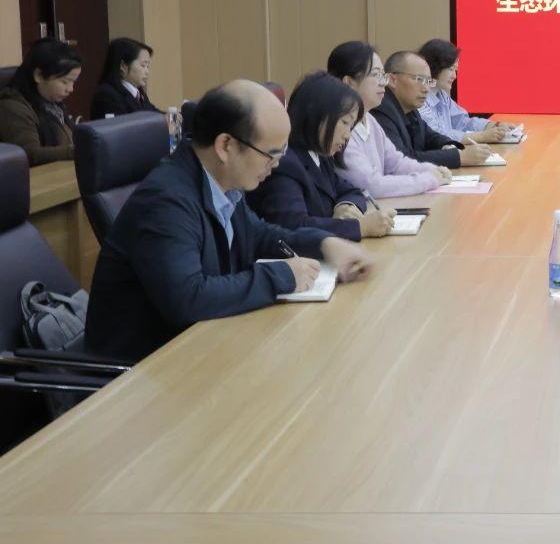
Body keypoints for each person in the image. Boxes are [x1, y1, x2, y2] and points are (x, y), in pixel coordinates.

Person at [85, 80, 374, 361]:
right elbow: (188, 298)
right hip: (144, 368)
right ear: (225, 145)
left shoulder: (221, 182)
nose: (275, 166)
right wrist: (282, 276)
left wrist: (325, 243)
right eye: (271, 155)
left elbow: (259, 235)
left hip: (203, 346)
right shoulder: (166, 202)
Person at [249, 72, 396, 241]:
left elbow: (352, 190)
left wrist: (345, 206)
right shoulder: (284, 164)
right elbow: (293, 226)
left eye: (351, 126)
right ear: (317, 116)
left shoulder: (320, 155)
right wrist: (361, 227)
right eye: (345, 123)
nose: (347, 135)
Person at [328, 41, 449, 198]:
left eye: (382, 75)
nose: (383, 83)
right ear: (349, 82)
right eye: (375, 75)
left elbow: (396, 163)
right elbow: (372, 185)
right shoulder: (338, 128)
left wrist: (431, 169)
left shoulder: (369, 119)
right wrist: (429, 179)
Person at [373, 51, 493, 168]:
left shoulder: (409, 108)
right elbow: (402, 160)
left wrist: (449, 146)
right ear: (392, 80)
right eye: (419, 79)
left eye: (428, 81)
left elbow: (430, 137)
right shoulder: (382, 111)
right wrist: (459, 157)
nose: (426, 89)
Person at [417, 39, 516, 143]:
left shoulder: (441, 95)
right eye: (451, 69)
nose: (454, 76)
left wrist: (495, 126)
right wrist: (481, 136)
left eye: (455, 70)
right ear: (434, 67)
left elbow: (462, 122)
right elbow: (435, 134)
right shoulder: (419, 99)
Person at [0, 37, 80, 166]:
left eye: (73, 82)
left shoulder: (52, 103)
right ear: (38, 75)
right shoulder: (13, 107)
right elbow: (29, 154)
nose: (70, 89)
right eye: (65, 82)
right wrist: (79, 151)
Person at [90, 37, 160, 119]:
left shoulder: (139, 93)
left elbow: (154, 113)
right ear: (123, 66)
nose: (147, 72)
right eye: (143, 65)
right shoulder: (107, 95)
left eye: (148, 66)